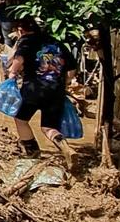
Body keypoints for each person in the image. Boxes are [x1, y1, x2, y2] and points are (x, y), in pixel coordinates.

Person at [6, 18, 75, 151]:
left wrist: (12, 74)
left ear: (21, 30)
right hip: (56, 91)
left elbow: (18, 60)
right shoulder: (57, 43)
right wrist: (61, 83)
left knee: (21, 120)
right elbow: (72, 71)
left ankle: (32, 152)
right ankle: (65, 147)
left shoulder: (26, 41)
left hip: (33, 90)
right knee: (49, 127)